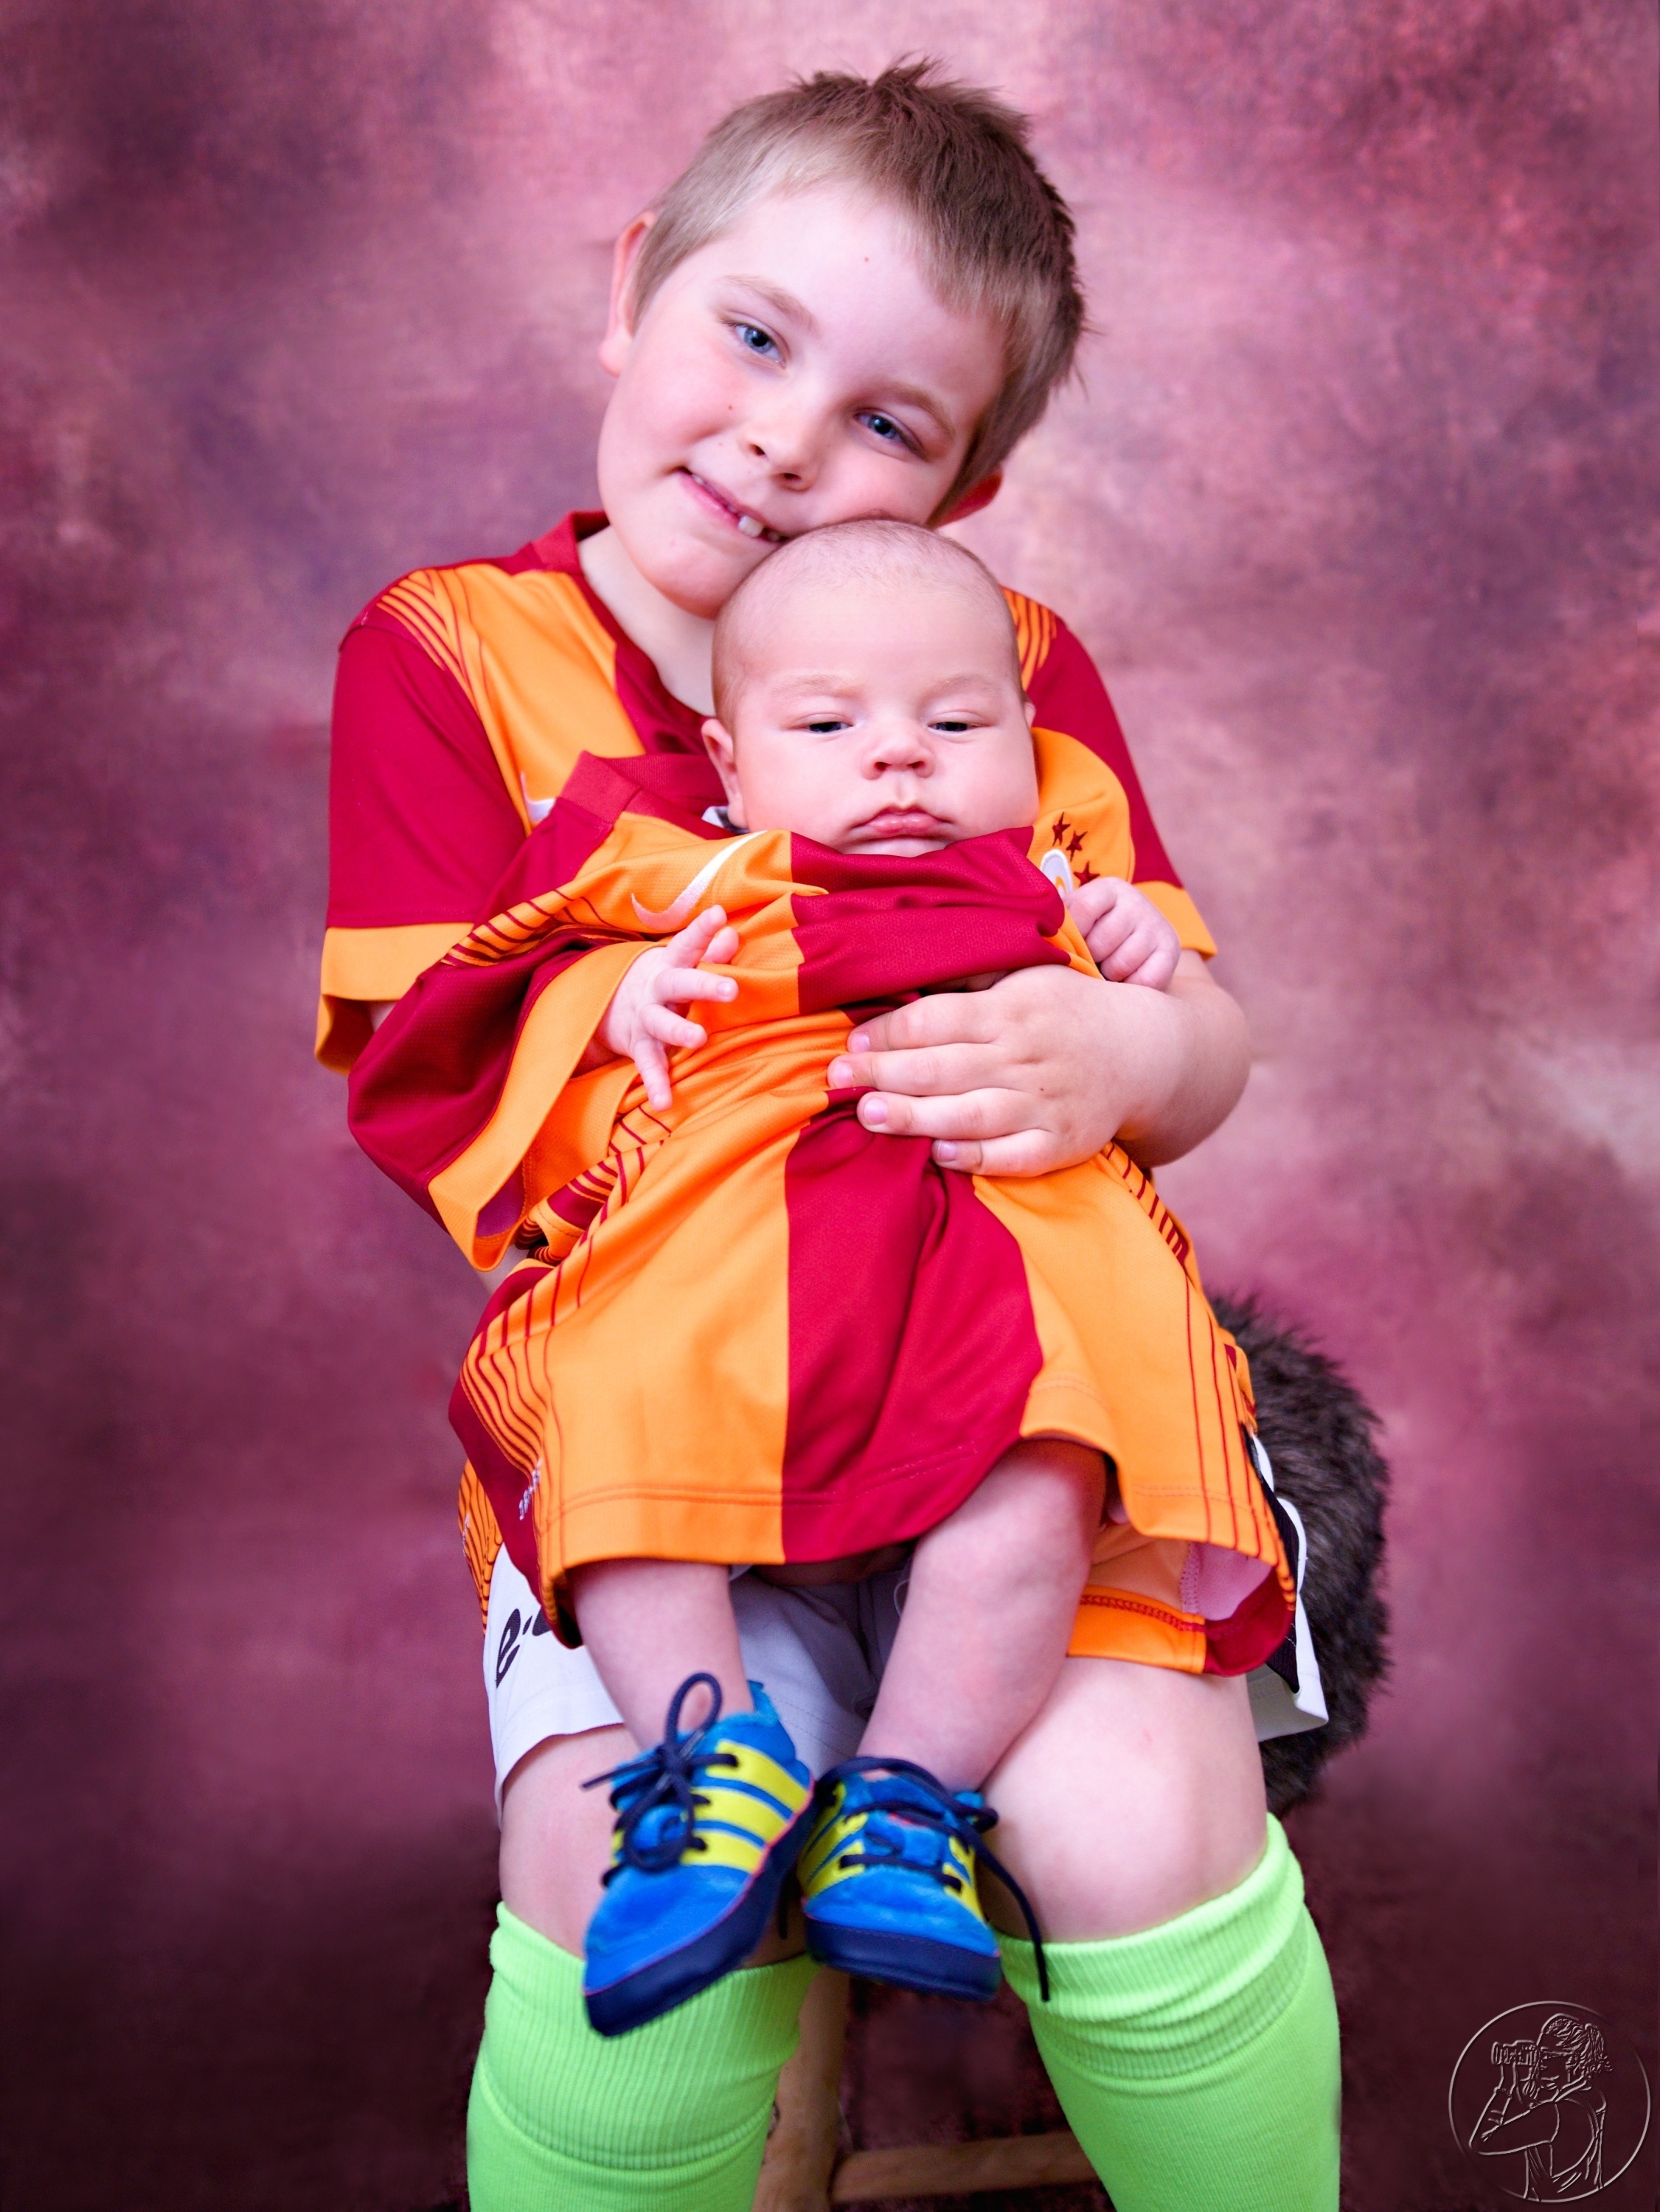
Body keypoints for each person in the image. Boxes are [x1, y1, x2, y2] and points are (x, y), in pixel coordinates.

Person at [324, 60, 1341, 2212]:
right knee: (627, 1873)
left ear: (966, 485)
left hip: (1023, 1383)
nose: (787, 441)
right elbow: (421, 1059)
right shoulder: (452, 655)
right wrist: (617, 1006)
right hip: (669, 1414)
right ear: (635, 281)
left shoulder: (1006, 666)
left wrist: (1118, 1053)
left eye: (886, 418)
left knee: (1130, 1822)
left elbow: (1198, 1039)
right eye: (753, 334)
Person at [353, 517, 1295, 2041]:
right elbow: (490, 991)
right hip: (724, 1294)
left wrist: (1142, 981)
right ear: (728, 767)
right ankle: (706, 1762)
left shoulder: (1055, 876)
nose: (901, 757)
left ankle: (907, 1801)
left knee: (1047, 1472)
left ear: (1026, 742)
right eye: (829, 727)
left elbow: (1192, 1038)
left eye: (955, 725)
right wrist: (618, 990)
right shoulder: (671, 866)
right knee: (609, 1411)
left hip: (989, 1292)